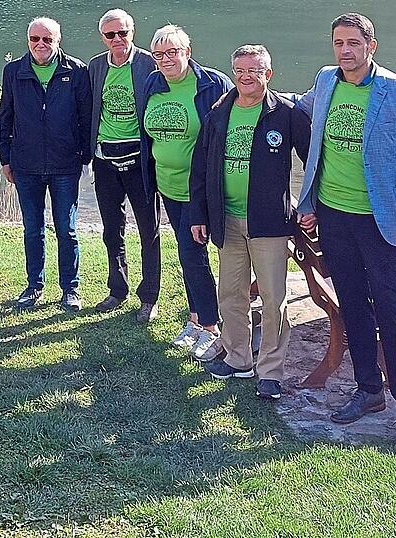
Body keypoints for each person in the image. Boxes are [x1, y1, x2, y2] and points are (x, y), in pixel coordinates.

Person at [293, 13, 396, 443]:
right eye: (338, 42)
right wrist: (250, 86)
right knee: (353, 306)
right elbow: (298, 106)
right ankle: (369, 390)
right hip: (333, 215)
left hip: (382, 221)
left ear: (371, 46)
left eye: (353, 43)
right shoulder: (325, 81)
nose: (345, 51)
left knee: (393, 315)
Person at [190, 45, 310, 399]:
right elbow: (201, 168)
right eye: (240, 70)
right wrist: (199, 213)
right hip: (226, 219)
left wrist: (308, 204)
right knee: (231, 293)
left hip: (270, 223)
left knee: (273, 300)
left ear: (268, 75)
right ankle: (238, 358)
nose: (246, 77)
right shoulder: (219, 113)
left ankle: (270, 371)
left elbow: (313, 163)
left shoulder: (285, 114)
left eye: (255, 71)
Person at [137, 24, 232, 359]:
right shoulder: (153, 83)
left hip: (199, 190)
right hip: (167, 185)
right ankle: (196, 319)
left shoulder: (213, 85)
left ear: (187, 52)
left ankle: (209, 326)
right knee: (187, 253)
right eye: (159, 54)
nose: (165, 60)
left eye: (172, 52)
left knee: (193, 253)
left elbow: (234, 128)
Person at [0, 17, 91, 312]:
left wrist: (84, 156)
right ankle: (33, 286)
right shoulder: (14, 71)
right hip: (25, 164)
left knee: (67, 229)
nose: (41, 45)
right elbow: (6, 116)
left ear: (58, 40)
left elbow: (86, 118)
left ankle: (70, 289)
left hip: (65, 164)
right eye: (35, 39)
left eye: (47, 40)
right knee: (32, 229)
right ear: (28, 40)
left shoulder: (76, 71)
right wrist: (5, 158)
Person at [88, 9, 161, 322]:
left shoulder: (149, 64)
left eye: (123, 33)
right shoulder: (95, 66)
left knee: (150, 230)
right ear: (103, 37)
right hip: (104, 160)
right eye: (110, 34)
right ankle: (117, 290)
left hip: (140, 160)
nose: (117, 40)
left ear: (133, 32)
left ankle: (149, 297)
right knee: (111, 230)